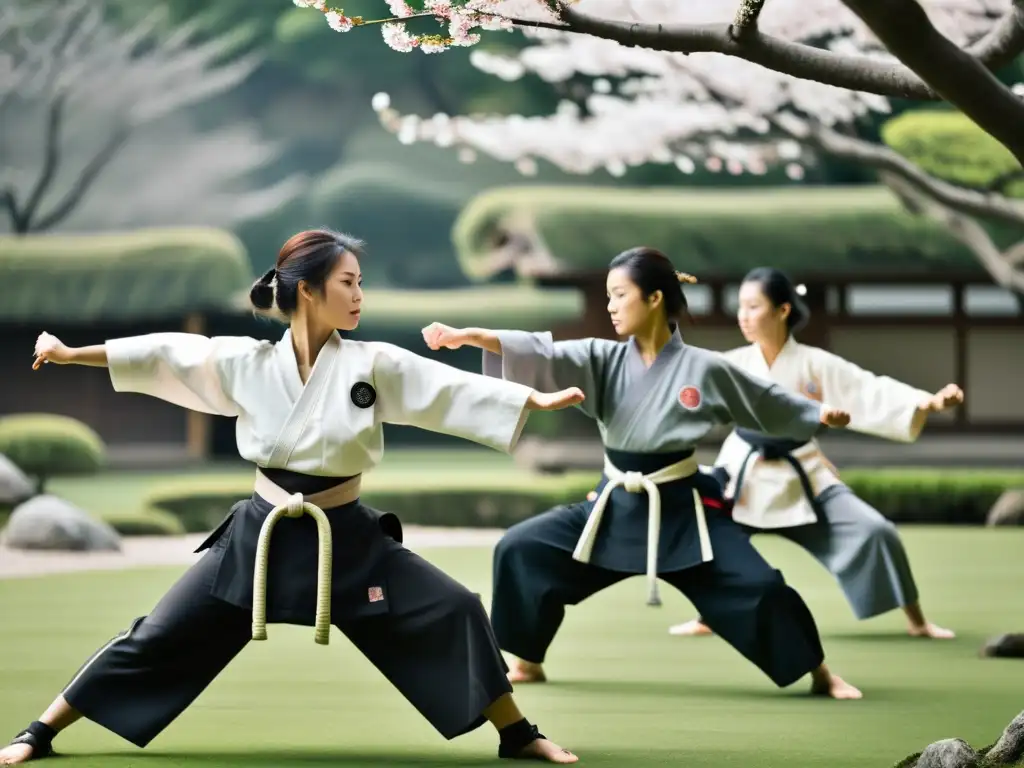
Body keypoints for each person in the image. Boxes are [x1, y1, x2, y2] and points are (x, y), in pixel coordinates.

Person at [0, 229, 583, 766]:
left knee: (454, 607)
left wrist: (530, 399)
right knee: (158, 635)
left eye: (360, 284)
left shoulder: (371, 363)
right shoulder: (246, 362)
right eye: (348, 283)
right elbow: (165, 353)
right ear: (307, 290)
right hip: (259, 535)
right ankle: (40, 731)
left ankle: (517, 734)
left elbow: (445, 386)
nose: (360, 296)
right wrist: (72, 353)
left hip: (348, 538)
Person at [421, 246, 864, 701]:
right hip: (614, 505)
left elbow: (765, 397)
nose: (611, 306)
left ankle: (820, 672)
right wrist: (468, 336)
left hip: (683, 512)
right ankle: (527, 661)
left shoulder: (704, 368)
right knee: (522, 548)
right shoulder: (603, 357)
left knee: (762, 587)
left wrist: (817, 412)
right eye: (609, 297)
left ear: (654, 299)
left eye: (619, 295)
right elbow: (540, 350)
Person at [666, 267, 962, 642]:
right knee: (709, 535)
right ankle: (709, 614)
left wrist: (929, 403)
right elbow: (685, 389)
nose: (743, 315)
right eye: (740, 306)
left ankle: (916, 620)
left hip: (802, 470)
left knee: (875, 531)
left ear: (783, 310)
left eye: (753, 306)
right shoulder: (732, 364)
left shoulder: (814, 364)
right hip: (743, 471)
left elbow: (867, 390)